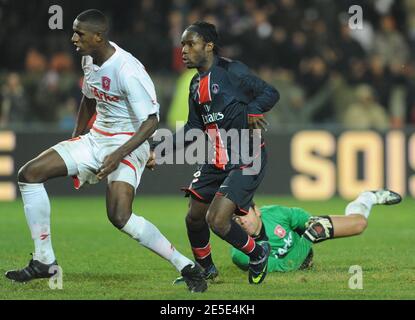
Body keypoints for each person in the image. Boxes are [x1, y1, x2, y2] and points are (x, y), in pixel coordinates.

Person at [5, 9, 207, 293]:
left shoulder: (127, 70)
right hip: (96, 138)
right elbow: (89, 99)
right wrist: (76, 141)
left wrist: (117, 156)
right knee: (29, 174)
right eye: (74, 31)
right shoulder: (89, 59)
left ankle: (186, 265)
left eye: (79, 33)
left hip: (129, 143)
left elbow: (151, 122)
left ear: (98, 36)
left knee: (119, 216)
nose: (73, 38)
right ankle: (43, 261)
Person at [148, 21, 280, 284]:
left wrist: (254, 109)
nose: (183, 49)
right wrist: (158, 148)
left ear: (208, 46)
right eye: (182, 44)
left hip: (247, 156)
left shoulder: (232, 71)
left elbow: (270, 92)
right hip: (217, 158)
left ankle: (257, 253)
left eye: (190, 43)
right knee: (194, 217)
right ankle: (206, 269)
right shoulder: (195, 85)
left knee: (217, 220)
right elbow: (193, 129)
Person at [230, 189, 402, 273]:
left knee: (359, 224)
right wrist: (309, 238)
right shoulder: (240, 253)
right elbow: (284, 266)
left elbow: (297, 215)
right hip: (303, 246)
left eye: (244, 214)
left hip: (305, 238)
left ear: (257, 210)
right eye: (236, 219)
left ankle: (367, 197)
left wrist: (311, 223)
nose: (241, 221)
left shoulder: (274, 213)